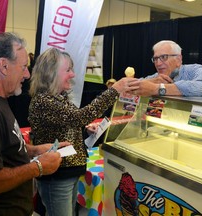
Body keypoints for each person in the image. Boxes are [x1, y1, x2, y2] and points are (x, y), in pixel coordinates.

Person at [28, 47, 139, 216]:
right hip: (57, 176)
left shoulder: (58, 98)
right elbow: (79, 117)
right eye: (68, 70)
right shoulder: (44, 101)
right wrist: (114, 90)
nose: (72, 75)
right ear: (51, 73)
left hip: (66, 172)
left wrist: (85, 131)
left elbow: (69, 124)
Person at [0, 32, 68, 216]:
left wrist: (35, 150)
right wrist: (37, 167)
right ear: (3, 66)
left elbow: (3, 147)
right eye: (24, 67)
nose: (28, 74)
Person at [133, 40, 202, 98]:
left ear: (178, 60)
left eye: (164, 57)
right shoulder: (158, 77)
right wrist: (150, 82)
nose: (158, 63)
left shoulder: (195, 69)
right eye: (155, 59)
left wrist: (157, 89)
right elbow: (138, 84)